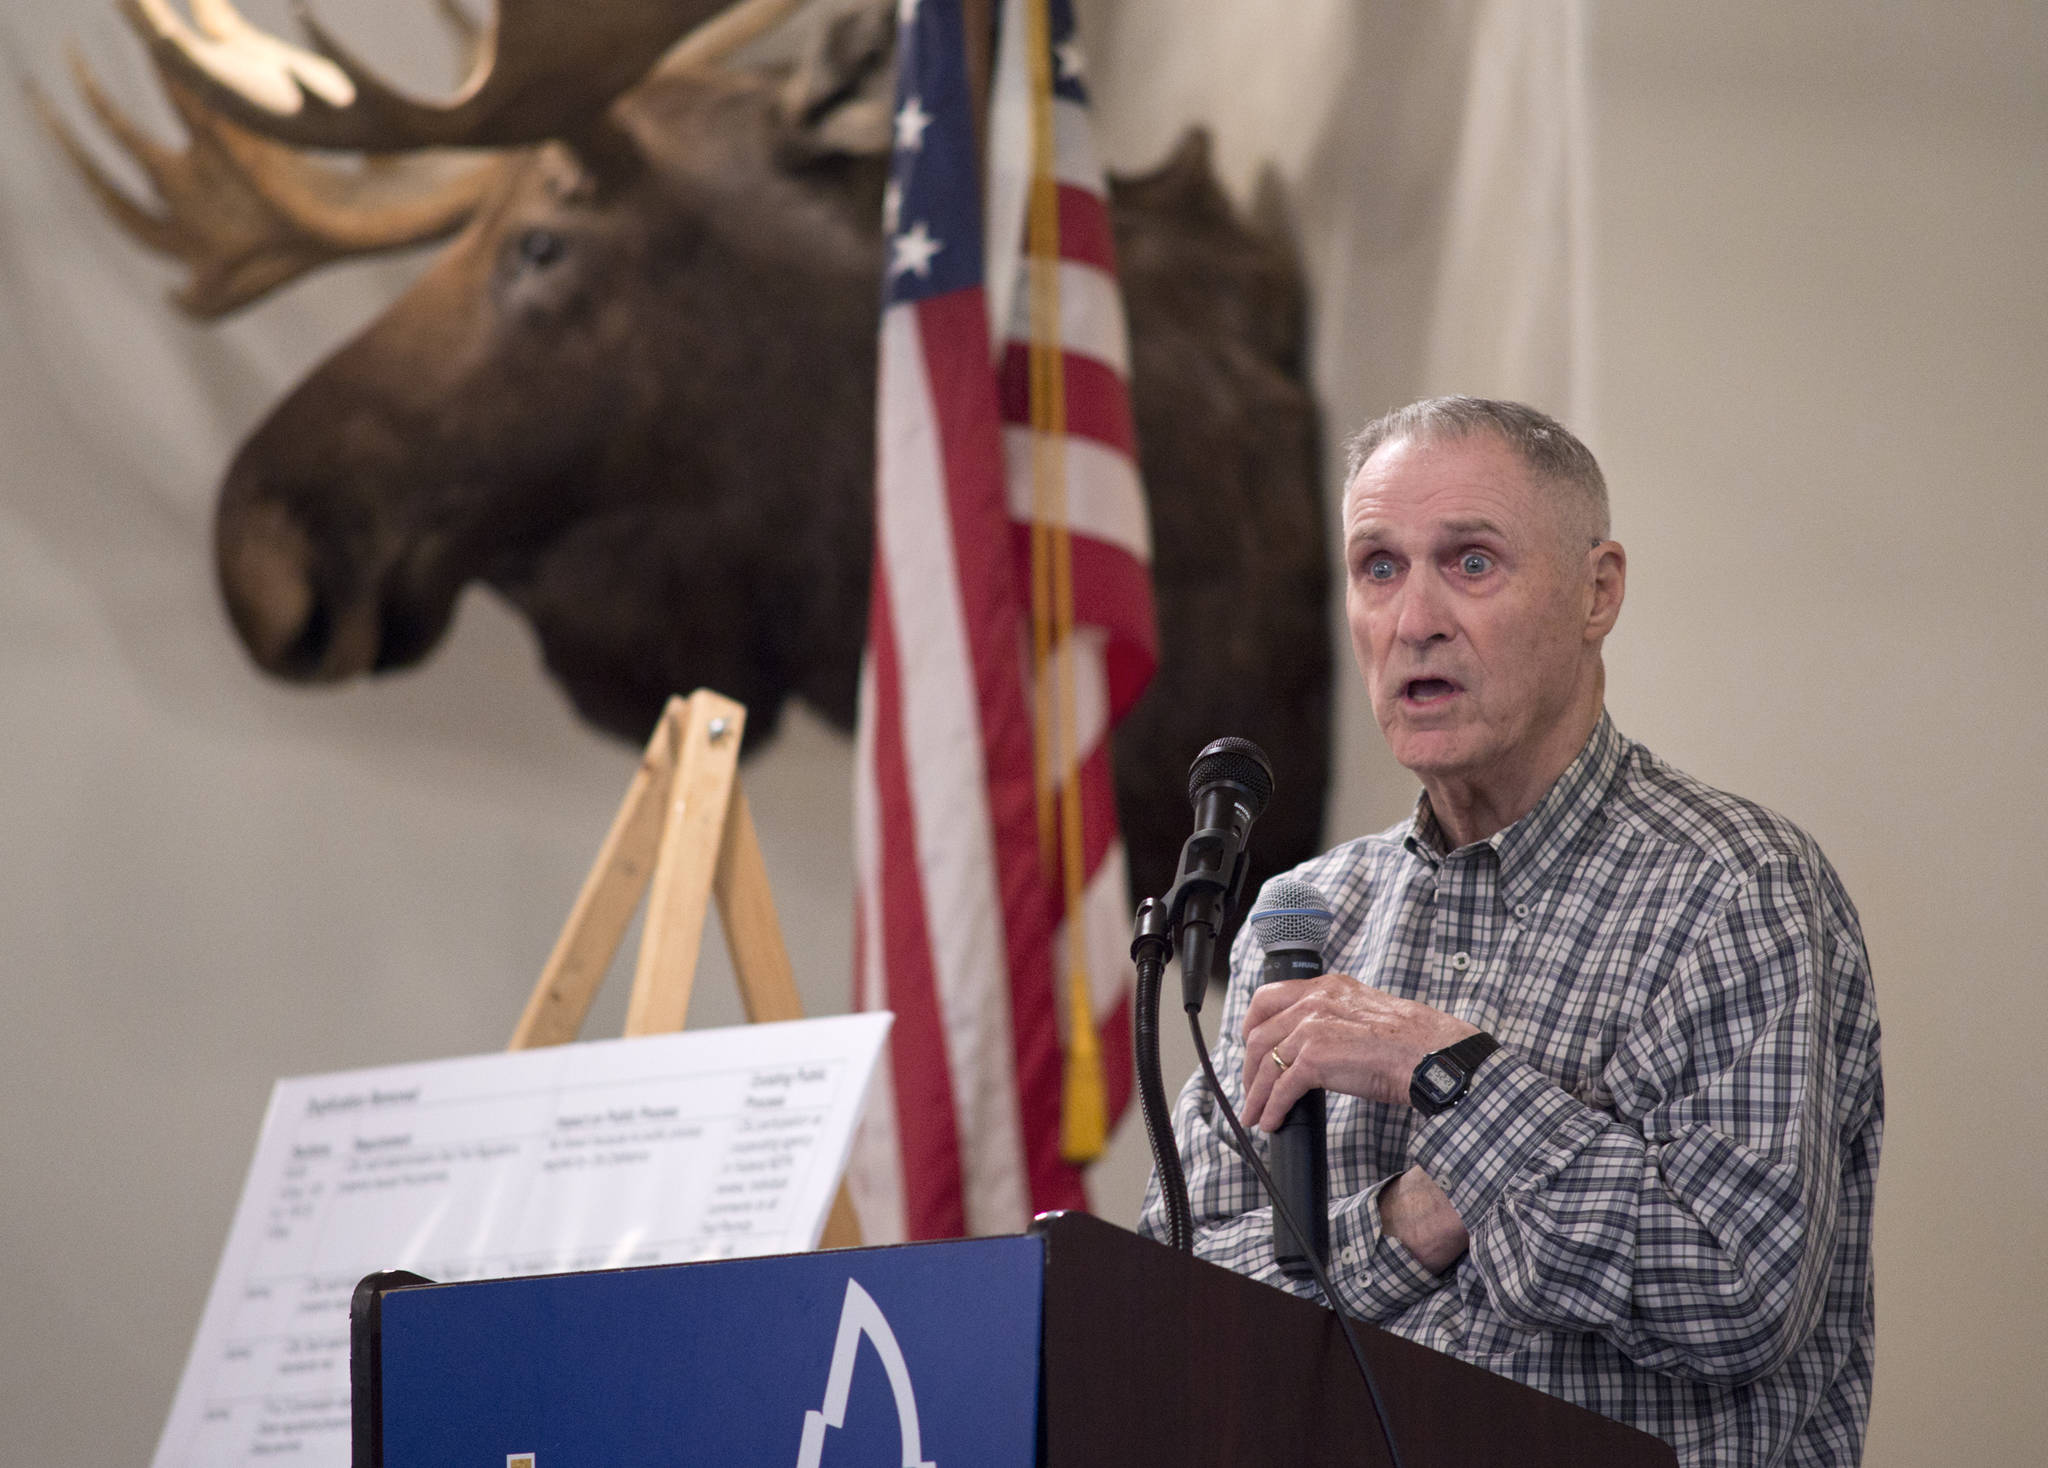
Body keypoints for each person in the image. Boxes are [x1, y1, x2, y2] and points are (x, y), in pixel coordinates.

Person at [1141, 397, 1881, 1466]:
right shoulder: (1301, 917)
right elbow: (1173, 1305)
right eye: (1377, 567)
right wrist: (1413, 1217)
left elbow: (1735, 1289)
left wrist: (1450, 1075)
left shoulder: (1735, 888)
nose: (1413, 620)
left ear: (1596, 592)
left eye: (1471, 562)